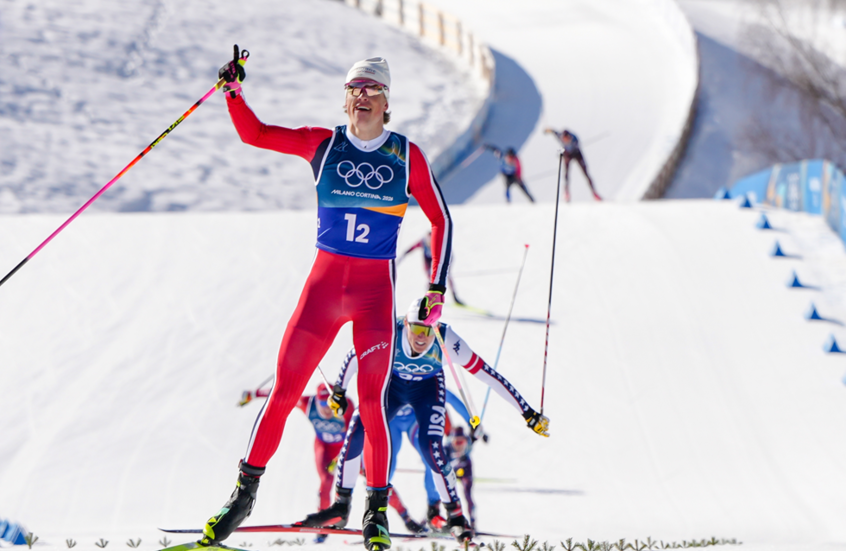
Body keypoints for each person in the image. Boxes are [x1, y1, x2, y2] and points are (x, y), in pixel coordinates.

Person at [204, 48, 454, 551]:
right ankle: (243, 494)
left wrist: (435, 289)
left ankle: (375, 512)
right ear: (344, 102)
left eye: (373, 90)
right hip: (322, 292)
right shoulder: (323, 145)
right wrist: (232, 92)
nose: (362, 97)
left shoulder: (407, 156)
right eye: (354, 90)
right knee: (283, 391)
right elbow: (255, 134)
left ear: (387, 102)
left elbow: (441, 220)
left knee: (371, 405)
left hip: (371, 300)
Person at [298, 300, 550, 544]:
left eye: (429, 330)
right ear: (405, 324)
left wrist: (527, 412)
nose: (422, 337)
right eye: (417, 329)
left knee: (430, 447)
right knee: (357, 433)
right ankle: (342, 506)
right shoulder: (390, 332)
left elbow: (488, 375)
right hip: (392, 389)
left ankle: (455, 516)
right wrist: (339, 392)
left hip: (427, 391)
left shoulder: (446, 339)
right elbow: (355, 355)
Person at [239, 383, 355, 544]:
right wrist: (254, 393)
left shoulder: (345, 405)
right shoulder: (307, 404)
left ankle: (401, 514)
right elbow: (281, 395)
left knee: (365, 475)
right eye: (323, 404)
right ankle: (322, 526)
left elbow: (354, 435)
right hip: (324, 447)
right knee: (326, 481)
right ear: (316, 401)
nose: (328, 409)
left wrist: (339, 458)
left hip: (345, 448)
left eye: (330, 403)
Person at [400, 231, 464, 305]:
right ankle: (428, 297)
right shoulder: (423, 241)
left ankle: (454, 296)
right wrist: (403, 255)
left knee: (447, 276)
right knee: (429, 278)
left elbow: (449, 255)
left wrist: (447, 268)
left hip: (439, 259)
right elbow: (412, 248)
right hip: (428, 260)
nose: (430, 244)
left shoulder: (440, 243)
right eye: (429, 243)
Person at [543, 128, 602, 202]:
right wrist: (548, 130)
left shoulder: (574, 138)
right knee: (566, 174)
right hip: (568, 154)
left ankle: (594, 192)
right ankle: (566, 192)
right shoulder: (560, 136)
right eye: (565, 139)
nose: (566, 140)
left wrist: (574, 146)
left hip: (577, 153)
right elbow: (554, 132)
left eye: (567, 138)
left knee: (585, 172)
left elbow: (577, 143)